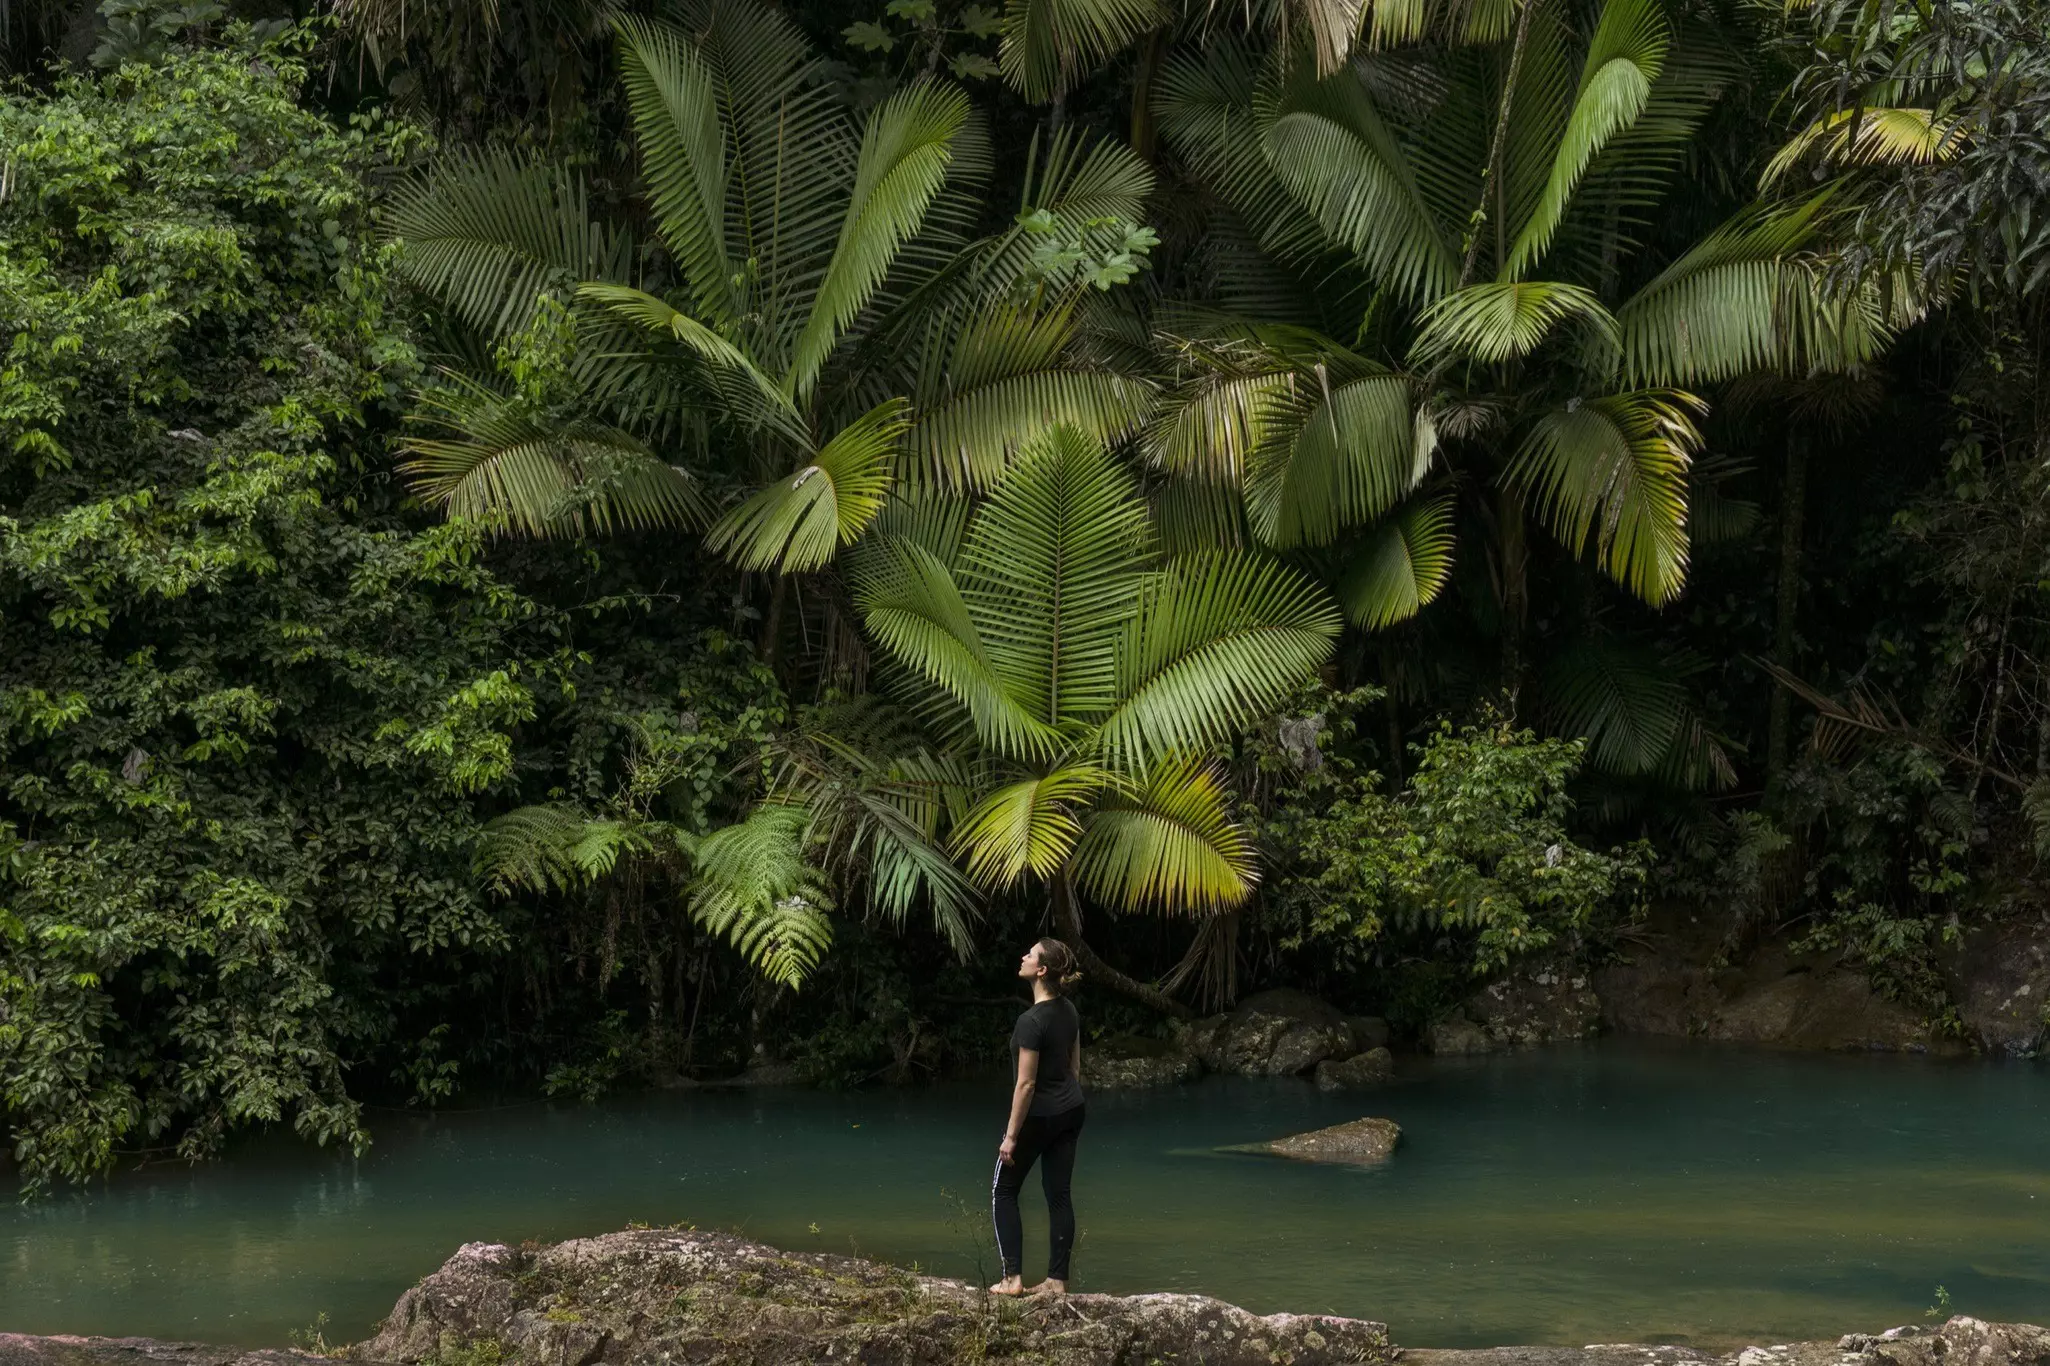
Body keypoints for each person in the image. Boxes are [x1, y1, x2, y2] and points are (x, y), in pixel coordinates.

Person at [989, 937, 1086, 1296]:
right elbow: (1074, 1069)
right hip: (1071, 1109)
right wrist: (1064, 1100)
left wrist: (1011, 1136)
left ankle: (1012, 1279)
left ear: (1042, 970)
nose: (1023, 956)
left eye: (1029, 954)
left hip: (1040, 1114)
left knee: (1003, 1190)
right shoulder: (1070, 1011)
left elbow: (1026, 1084)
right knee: (1059, 1194)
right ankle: (1057, 1281)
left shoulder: (1030, 1021)